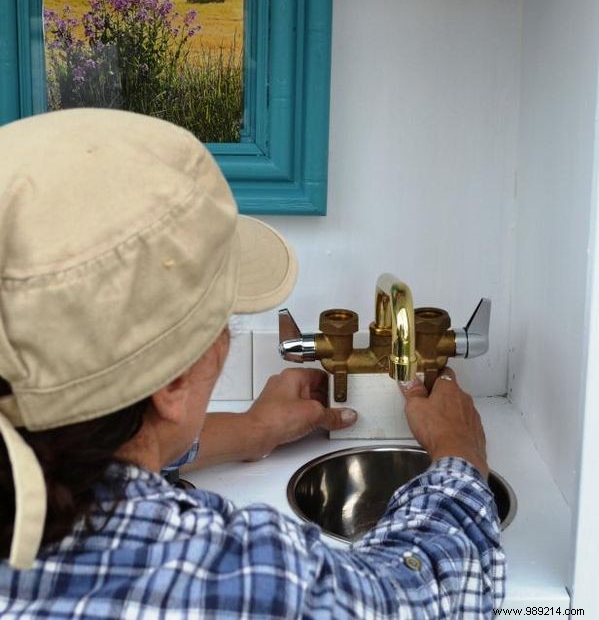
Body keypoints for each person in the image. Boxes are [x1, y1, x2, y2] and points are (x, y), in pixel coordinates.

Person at [0, 108, 505, 619]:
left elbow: (81, 445)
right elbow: (409, 599)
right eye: (225, 322)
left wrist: (249, 429)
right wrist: (459, 455)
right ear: (172, 382)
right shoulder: (235, 580)